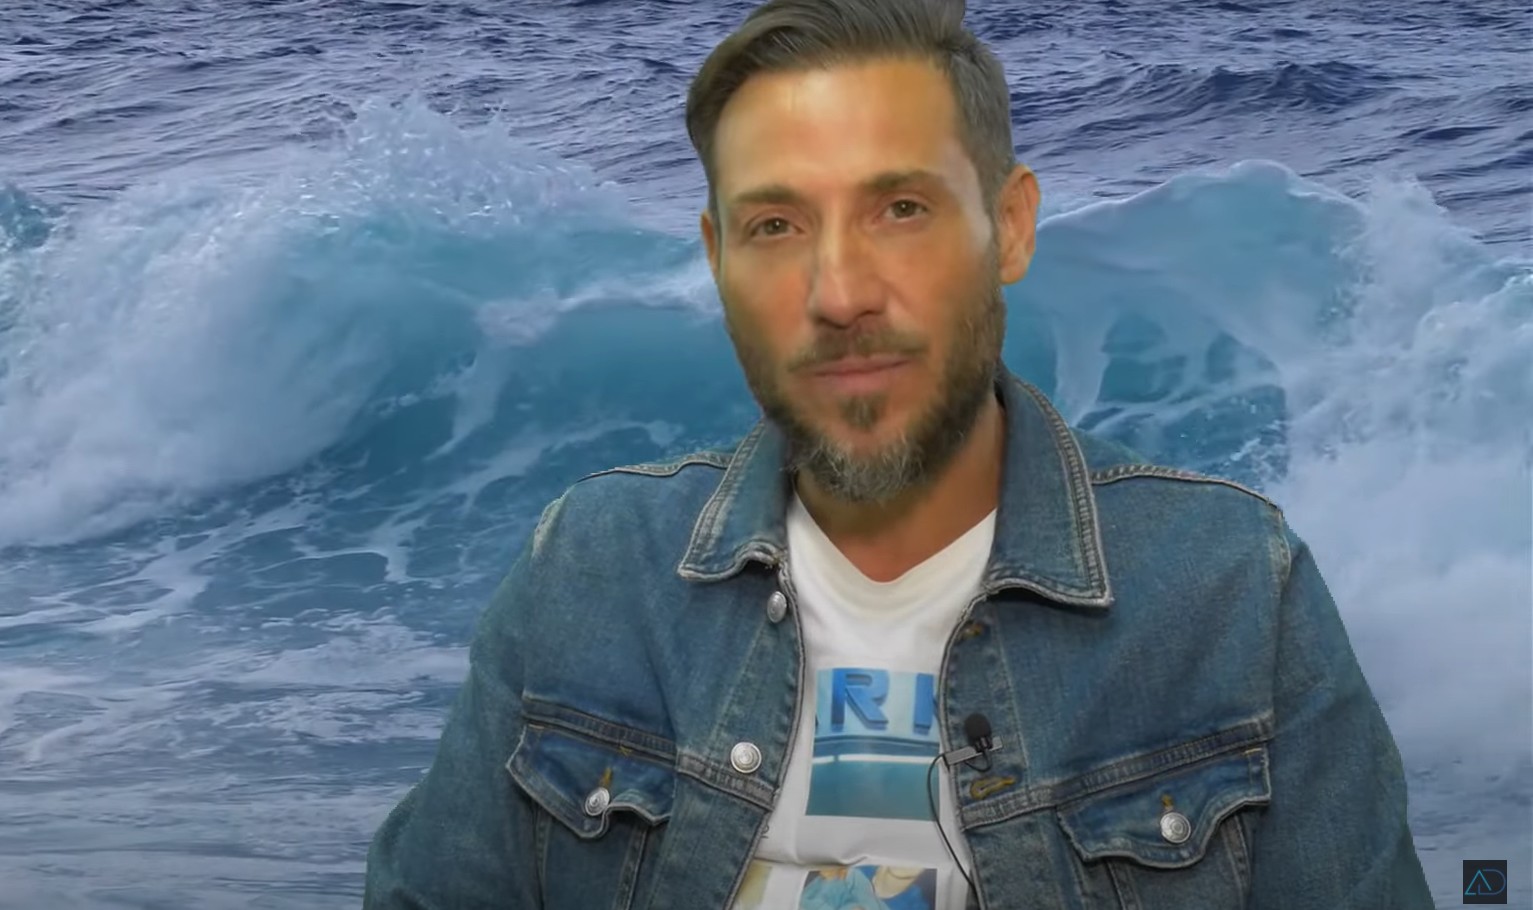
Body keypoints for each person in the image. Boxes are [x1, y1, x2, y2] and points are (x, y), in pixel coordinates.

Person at [363, 0, 1435, 907]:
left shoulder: (1231, 593)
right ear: (716, 256)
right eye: (775, 225)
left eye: (901, 208)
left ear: (1009, 227)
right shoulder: (588, 571)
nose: (839, 295)